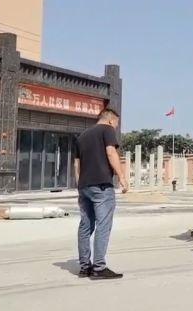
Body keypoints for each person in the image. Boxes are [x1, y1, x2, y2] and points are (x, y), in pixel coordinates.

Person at [73, 108, 128, 280]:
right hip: (102, 186)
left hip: (84, 186)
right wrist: (122, 176)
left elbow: (76, 165)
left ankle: (85, 267)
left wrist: (80, 185)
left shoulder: (82, 136)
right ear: (111, 120)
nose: (115, 127)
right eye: (116, 123)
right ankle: (99, 267)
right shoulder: (107, 130)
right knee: (103, 225)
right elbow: (111, 152)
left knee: (85, 226)